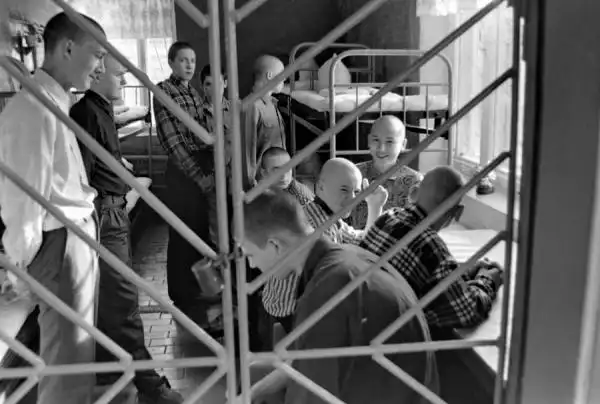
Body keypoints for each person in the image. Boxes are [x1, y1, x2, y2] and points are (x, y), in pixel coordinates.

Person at [0, 12, 105, 404]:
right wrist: (20, 263)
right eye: (97, 55)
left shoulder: (53, 103)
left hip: (71, 239)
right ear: (68, 48)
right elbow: (24, 199)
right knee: (66, 365)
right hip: (59, 243)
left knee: (76, 358)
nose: (101, 67)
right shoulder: (33, 108)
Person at [240, 190, 431, 404]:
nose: (252, 265)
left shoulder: (327, 291)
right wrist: (254, 393)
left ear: (275, 245)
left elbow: (311, 395)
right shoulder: (348, 257)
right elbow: (304, 359)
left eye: (250, 255)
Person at [70, 54, 184, 404]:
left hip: (113, 210)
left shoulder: (101, 110)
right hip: (105, 215)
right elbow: (81, 176)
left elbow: (99, 158)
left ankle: (114, 373)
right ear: (97, 73)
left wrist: (119, 166)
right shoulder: (87, 113)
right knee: (123, 306)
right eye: (119, 75)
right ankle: (150, 386)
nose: (124, 81)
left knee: (113, 304)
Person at [359, 166, 504, 329]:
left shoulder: (386, 219)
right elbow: (469, 310)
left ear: (413, 193)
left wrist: (461, 271)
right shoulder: (432, 247)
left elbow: (425, 274)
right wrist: (488, 279)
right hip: (394, 335)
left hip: (362, 322)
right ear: (457, 213)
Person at [262, 157, 387, 332]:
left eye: (357, 192)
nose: (352, 198)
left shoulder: (319, 212)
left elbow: (362, 241)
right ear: (320, 187)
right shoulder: (320, 227)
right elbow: (365, 249)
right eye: (344, 190)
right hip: (291, 312)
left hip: (286, 305)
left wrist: (374, 206)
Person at [153, 41, 221, 334]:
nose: (189, 65)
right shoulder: (164, 91)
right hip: (184, 172)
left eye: (192, 60)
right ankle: (181, 296)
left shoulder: (193, 92)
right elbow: (174, 142)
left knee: (199, 234)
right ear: (171, 62)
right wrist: (199, 176)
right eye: (183, 60)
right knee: (183, 235)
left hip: (201, 167)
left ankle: (197, 293)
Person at [350, 115, 423, 229]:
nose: (381, 148)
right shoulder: (354, 173)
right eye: (376, 140)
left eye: (389, 141)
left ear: (403, 145)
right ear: (369, 140)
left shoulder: (414, 181)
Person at [241, 54, 287, 190]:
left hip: (276, 182)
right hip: (261, 185)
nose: (284, 79)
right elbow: (246, 151)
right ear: (270, 75)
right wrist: (250, 185)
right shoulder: (251, 106)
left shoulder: (272, 104)